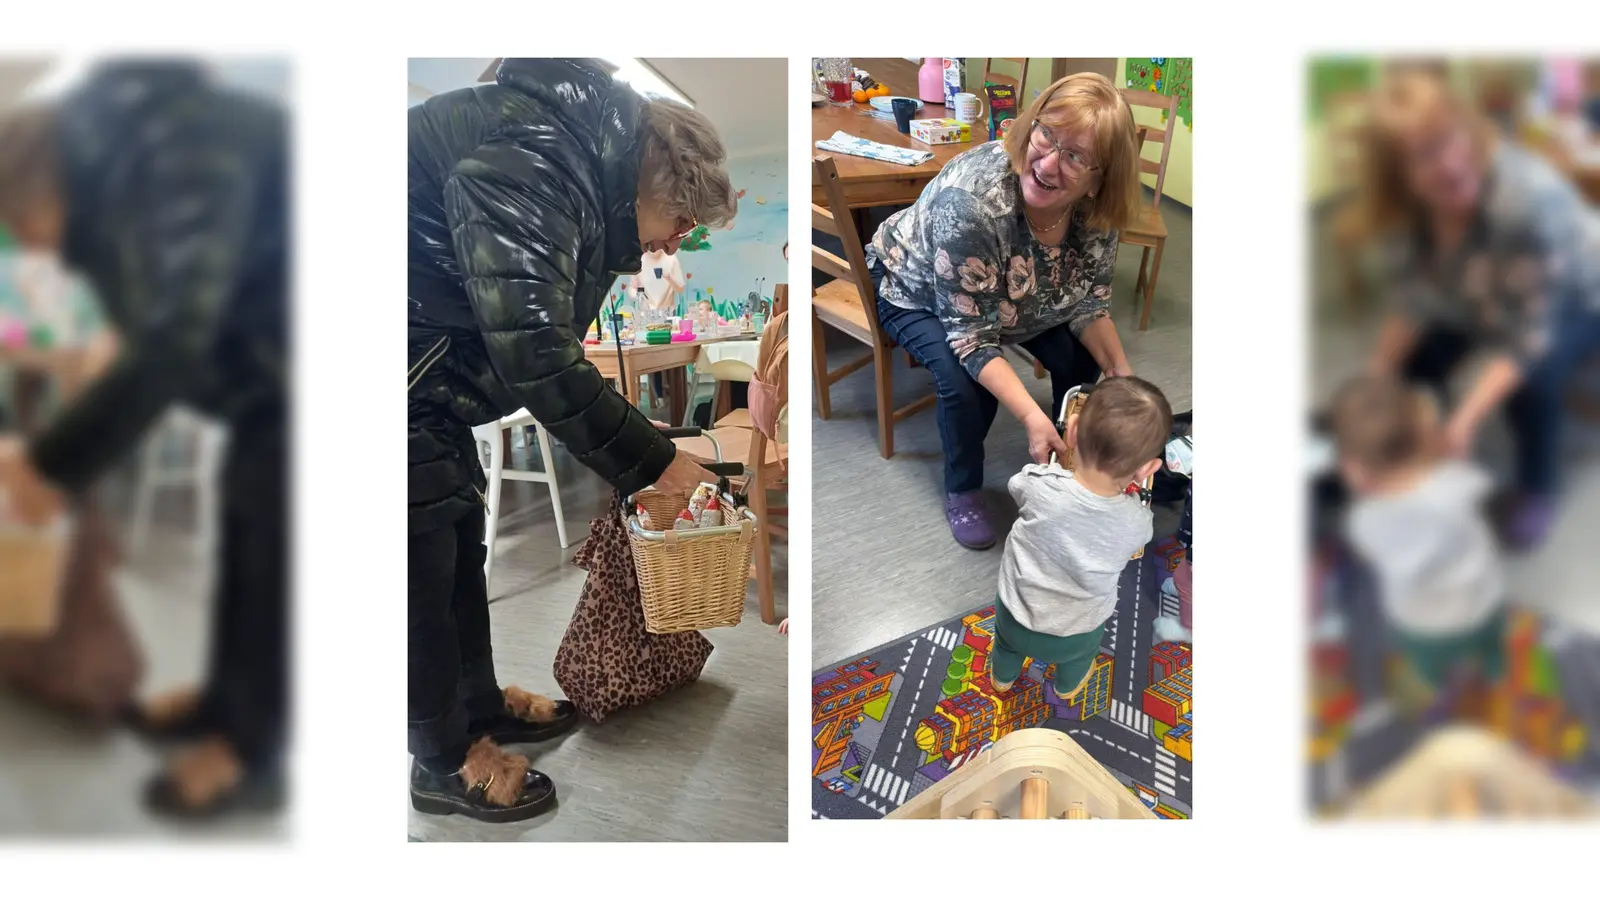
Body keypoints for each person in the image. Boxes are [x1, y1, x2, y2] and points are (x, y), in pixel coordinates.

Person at [407, 58, 736, 822]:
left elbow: (532, 334)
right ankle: (441, 761)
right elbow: (537, 355)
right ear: (657, 178)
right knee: (419, 564)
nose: (677, 238)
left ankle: (476, 708)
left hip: (421, 375)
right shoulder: (539, 161)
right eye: (682, 219)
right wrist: (657, 462)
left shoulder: (567, 159)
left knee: (455, 545)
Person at [0, 60, 289, 818]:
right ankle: (228, 703)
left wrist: (55, 461)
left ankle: (249, 753)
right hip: (264, 375)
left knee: (268, 550)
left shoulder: (177, 150)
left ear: (40, 185)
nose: (36, 248)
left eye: (24, 226)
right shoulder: (133, 162)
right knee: (244, 537)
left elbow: (175, 334)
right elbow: (160, 314)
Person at [866, 72, 1143, 549]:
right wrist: (1029, 419)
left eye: (1075, 157)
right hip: (917, 290)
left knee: (1083, 359)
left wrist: (1120, 372)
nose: (1049, 163)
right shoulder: (972, 203)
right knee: (967, 388)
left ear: (1100, 181)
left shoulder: (1098, 213)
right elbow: (972, 337)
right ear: (1030, 125)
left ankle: (1065, 454)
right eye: (1046, 135)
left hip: (1020, 295)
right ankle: (963, 487)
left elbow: (1089, 301)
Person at [1361, 70, 1600, 548]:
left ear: (1467, 131)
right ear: (1398, 179)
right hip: (1489, 291)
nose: (1449, 164)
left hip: (1580, 298)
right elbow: (1413, 299)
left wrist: (1465, 420)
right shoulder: (1408, 218)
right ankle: (1418, 453)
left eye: (1448, 140)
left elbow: (1528, 337)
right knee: (1416, 357)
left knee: (1537, 376)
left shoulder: (1529, 201)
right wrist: (1378, 377)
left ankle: (1538, 484)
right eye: (1420, 157)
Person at [1332, 374, 1505, 709]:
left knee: (1427, 660)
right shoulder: (1459, 483)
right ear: (1427, 436)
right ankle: (1495, 673)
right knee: (1490, 645)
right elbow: (1478, 490)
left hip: (1420, 622)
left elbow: (1370, 556)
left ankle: (1434, 683)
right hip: (1481, 604)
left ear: (1354, 470)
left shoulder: (1361, 521)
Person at [990, 377, 1169, 699]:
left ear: (1071, 431)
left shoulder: (1039, 484)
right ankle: (1066, 686)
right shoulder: (1138, 522)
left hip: (1015, 612)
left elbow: (1017, 486)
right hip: (1077, 630)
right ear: (1149, 468)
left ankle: (1003, 677)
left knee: (1005, 646)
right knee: (1078, 659)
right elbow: (1132, 547)